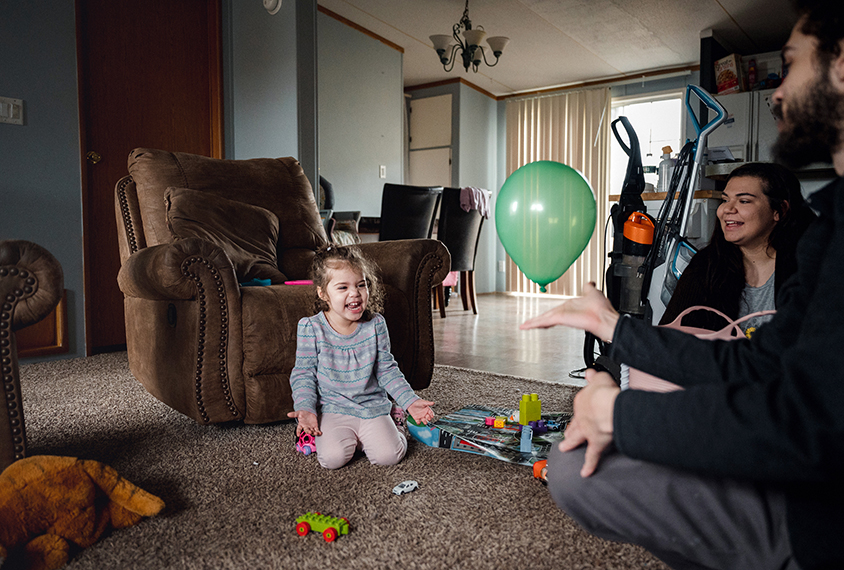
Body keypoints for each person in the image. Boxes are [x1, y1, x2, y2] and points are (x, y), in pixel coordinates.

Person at [520, 1, 844, 568]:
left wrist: (618, 417)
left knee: (576, 471)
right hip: (798, 453)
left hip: (823, 513)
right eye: (725, 201)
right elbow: (762, 365)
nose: (775, 92)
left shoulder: (816, 240)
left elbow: (806, 423)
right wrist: (614, 326)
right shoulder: (830, 222)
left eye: (791, 65)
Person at [287, 245, 435, 470]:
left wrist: (409, 402)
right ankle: (349, 438)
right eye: (342, 287)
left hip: (371, 407)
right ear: (323, 293)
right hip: (332, 408)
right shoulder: (311, 327)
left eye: (361, 285)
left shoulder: (375, 325)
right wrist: (306, 409)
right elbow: (304, 373)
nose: (354, 293)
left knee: (389, 456)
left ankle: (394, 422)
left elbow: (387, 369)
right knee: (332, 459)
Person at [660, 162, 816, 334]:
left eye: (744, 201)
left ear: (779, 210)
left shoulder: (812, 267)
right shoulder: (706, 265)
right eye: (725, 200)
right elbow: (668, 337)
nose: (726, 209)